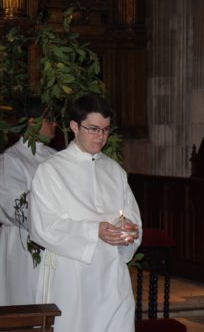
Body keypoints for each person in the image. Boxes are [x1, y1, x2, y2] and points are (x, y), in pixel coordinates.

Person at [29, 95, 142, 332]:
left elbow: (131, 216)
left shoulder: (114, 170)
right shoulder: (51, 170)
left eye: (105, 130)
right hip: (71, 274)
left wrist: (130, 231)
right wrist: (95, 230)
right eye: (93, 129)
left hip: (112, 274)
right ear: (73, 126)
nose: (101, 137)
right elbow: (43, 227)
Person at [0, 98, 57, 306]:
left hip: (55, 241)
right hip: (23, 244)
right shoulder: (12, 159)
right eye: (49, 119)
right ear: (32, 123)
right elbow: (14, 205)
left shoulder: (57, 157)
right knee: (26, 301)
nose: (55, 124)